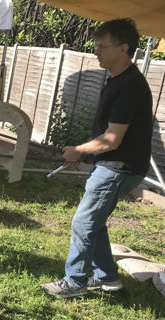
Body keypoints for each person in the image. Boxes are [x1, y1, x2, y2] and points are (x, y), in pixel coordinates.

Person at [42, 18, 153, 298]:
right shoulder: (117, 80)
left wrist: (80, 150)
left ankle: (75, 281)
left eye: (102, 47)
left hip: (120, 169)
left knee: (84, 222)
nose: (95, 52)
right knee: (94, 220)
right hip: (114, 165)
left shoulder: (130, 86)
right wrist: (86, 154)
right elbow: (111, 137)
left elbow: (113, 138)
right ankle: (108, 279)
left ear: (123, 48)